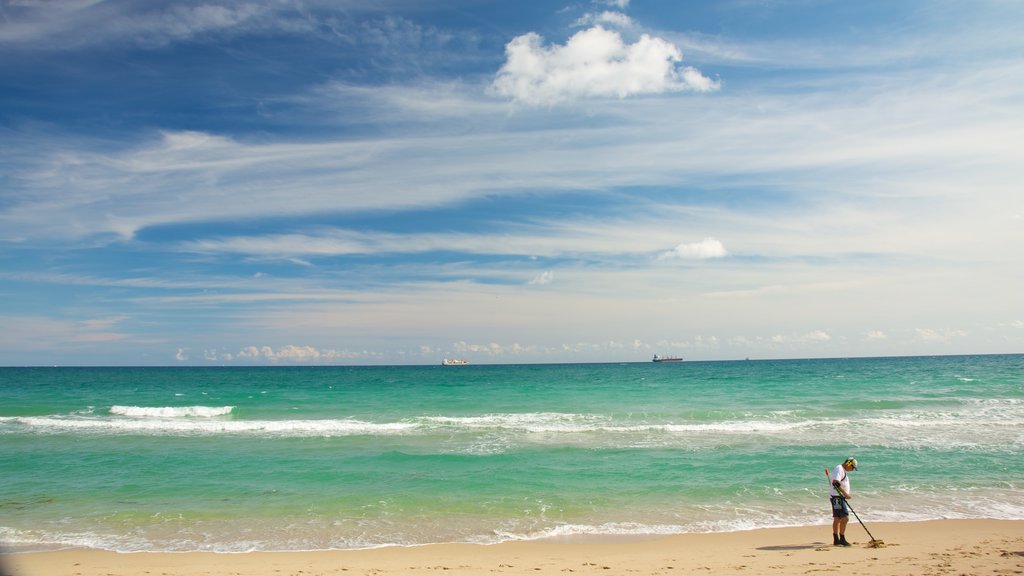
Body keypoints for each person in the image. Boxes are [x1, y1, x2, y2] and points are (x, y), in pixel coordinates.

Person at [828, 457, 858, 546]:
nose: (852, 470)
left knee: (837, 518)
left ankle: (836, 539)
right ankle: (841, 539)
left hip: (837, 497)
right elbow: (835, 483)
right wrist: (845, 494)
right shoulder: (839, 469)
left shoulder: (841, 470)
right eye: (852, 467)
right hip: (838, 498)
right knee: (845, 518)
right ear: (849, 464)